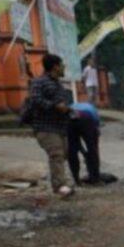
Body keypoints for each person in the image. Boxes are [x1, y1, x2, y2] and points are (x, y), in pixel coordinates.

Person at [29, 53, 74, 198]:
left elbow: (62, 102)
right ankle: (60, 187)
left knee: (63, 154)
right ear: (55, 66)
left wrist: (68, 109)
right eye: (61, 65)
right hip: (45, 127)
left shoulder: (58, 83)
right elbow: (35, 100)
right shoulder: (39, 82)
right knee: (56, 154)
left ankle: (62, 182)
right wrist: (55, 106)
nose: (63, 67)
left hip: (60, 127)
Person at [67, 100, 101, 186]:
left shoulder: (71, 105)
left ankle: (76, 179)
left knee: (72, 150)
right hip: (86, 118)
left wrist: (81, 149)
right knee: (93, 149)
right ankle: (95, 179)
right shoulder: (92, 109)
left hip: (69, 119)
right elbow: (96, 128)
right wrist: (87, 153)